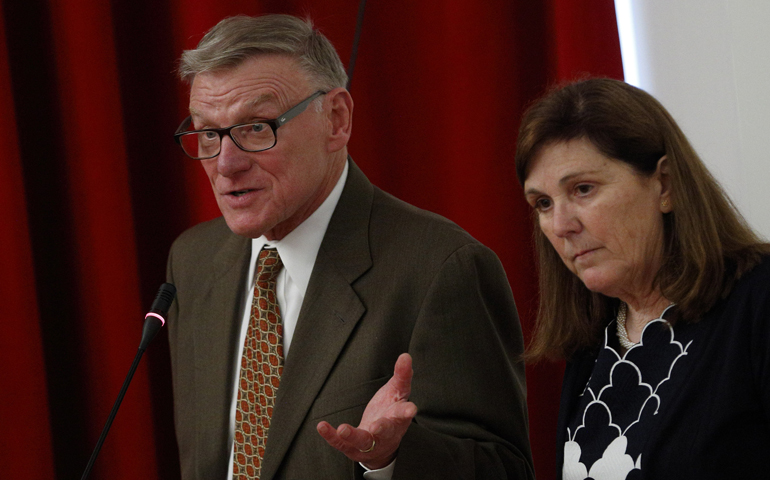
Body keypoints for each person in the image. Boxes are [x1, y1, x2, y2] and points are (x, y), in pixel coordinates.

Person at [166, 14, 534, 480]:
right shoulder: (193, 261)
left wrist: (387, 459)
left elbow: (504, 470)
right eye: (208, 133)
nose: (226, 164)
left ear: (336, 120)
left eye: (256, 127)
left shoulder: (442, 268)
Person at [515, 77, 770, 479]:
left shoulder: (758, 303)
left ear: (664, 185)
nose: (560, 225)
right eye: (543, 203)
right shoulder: (593, 345)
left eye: (583, 189)